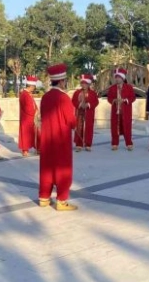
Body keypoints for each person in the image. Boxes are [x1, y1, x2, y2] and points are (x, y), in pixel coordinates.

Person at [38, 63, 77, 211]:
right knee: (63, 168)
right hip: (61, 139)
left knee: (47, 167)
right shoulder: (64, 98)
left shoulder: (45, 97)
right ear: (61, 81)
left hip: (47, 139)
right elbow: (71, 120)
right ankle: (61, 200)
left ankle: (44, 197)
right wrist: (76, 123)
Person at [106, 68, 136, 151]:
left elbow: (133, 98)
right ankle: (115, 143)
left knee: (127, 127)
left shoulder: (129, 87)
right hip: (115, 111)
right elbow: (109, 98)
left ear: (123, 78)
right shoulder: (112, 88)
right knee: (115, 127)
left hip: (126, 111)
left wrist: (125, 100)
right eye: (116, 77)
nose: (117, 79)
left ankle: (129, 143)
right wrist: (114, 100)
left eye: (119, 77)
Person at [72, 74, 99, 152]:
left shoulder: (93, 93)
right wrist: (80, 104)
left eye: (85, 83)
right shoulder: (77, 93)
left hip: (89, 113)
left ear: (89, 84)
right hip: (79, 113)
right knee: (79, 128)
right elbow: (73, 101)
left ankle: (88, 144)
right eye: (82, 83)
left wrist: (89, 104)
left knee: (89, 128)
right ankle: (79, 144)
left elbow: (96, 102)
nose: (84, 85)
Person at [18, 75, 40, 157]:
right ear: (30, 86)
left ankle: (38, 148)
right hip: (26, 118)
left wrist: (37, 110)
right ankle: (25, 150)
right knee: (26, 134)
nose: (34, 88)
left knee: (36, 133)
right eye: (34, 86)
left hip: (32, 117)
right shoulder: (24, 94)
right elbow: (27, 107)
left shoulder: (29, 94)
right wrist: (34, 113)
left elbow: (33, 104)